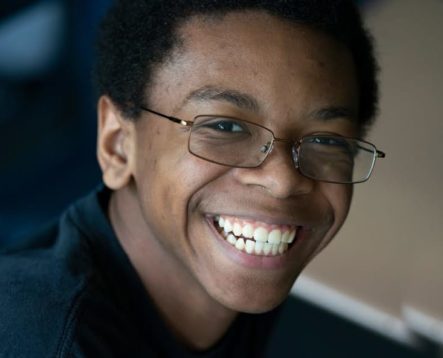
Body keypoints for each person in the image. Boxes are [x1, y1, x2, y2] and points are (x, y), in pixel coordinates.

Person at [0, 0, 384, 356]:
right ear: (118, 144)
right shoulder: (50, 340)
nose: (283, 180)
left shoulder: (228, 269)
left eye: (324, 140)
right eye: (225, 127)